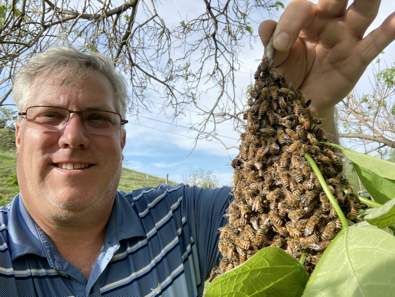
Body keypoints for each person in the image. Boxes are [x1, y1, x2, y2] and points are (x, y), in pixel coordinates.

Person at [0, 0, 393, 296]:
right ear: (18, 134)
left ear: (122, 139)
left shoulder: (184, 218)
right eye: (49, 115)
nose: (73, 135)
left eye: (98, 118)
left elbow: (307, 216)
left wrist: (306, 110)